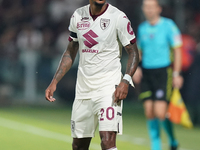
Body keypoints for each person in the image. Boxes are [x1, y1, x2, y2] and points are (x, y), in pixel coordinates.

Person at [45, 0, 139, 150]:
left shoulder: (118, 17)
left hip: (109, 88)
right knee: (78, 146)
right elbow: (70, 51)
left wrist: (126, 80)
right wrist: (54, 81)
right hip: (84, 89)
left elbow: (133, 51)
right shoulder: (78, 15)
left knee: (107, 140)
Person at [133, 0, 183, 150]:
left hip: (163, 72)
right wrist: (136, 68)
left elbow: (178, 50)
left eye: (151, 7)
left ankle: (173, 140)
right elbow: (139, 52)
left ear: (158, 9)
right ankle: (156, 147)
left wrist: (177, 74)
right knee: (149, 112)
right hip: (147, 74)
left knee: (160, 112)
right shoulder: (142, 28)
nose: (148, 10)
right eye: (146, 7)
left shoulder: (169, 26)